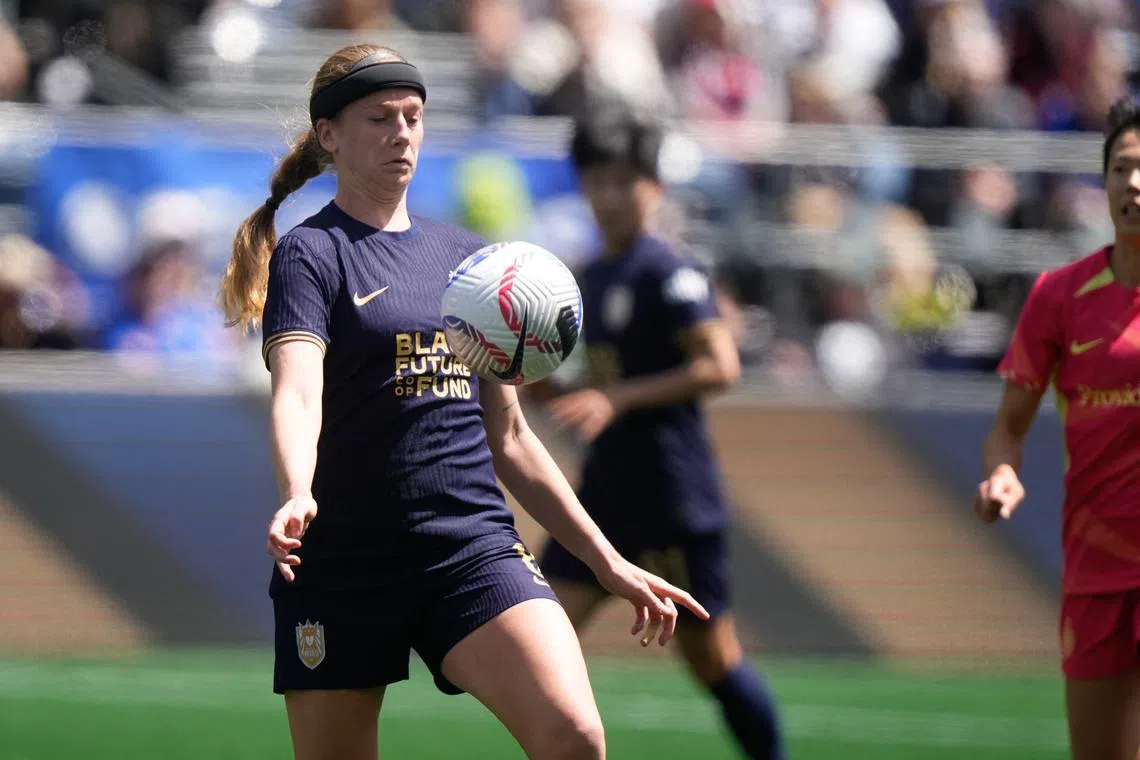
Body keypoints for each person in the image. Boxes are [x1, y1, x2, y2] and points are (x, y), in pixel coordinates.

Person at [218, 43, 708, 760]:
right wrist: (297, 489)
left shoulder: (473, 263)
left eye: (413, 117)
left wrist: (605, 561)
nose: (402, 134)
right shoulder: (311, 254)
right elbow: (297, 390)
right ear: (329, 134)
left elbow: (508, 437)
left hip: (468, 549)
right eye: (380, 118)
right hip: (343, 560)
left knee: (575, 737)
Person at [532, 116, 785, 759]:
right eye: (597, 182)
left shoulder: (668, 270)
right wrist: (537, 386)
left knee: (714, 662)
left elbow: (719, 365)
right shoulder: (589, 276)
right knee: (536, 636)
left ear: (654, 188)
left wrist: (616, 398)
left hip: (672, 498)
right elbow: (596, 384)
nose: (610, 196)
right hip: (606, 494)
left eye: (625, 181)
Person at [976, 95, 1140, 760]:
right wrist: (1001, 473)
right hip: (1096, 573)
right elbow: (1008, 427)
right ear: (1102, 185)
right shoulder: (1059, 295)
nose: (1133, 183)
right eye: (1121, 168)